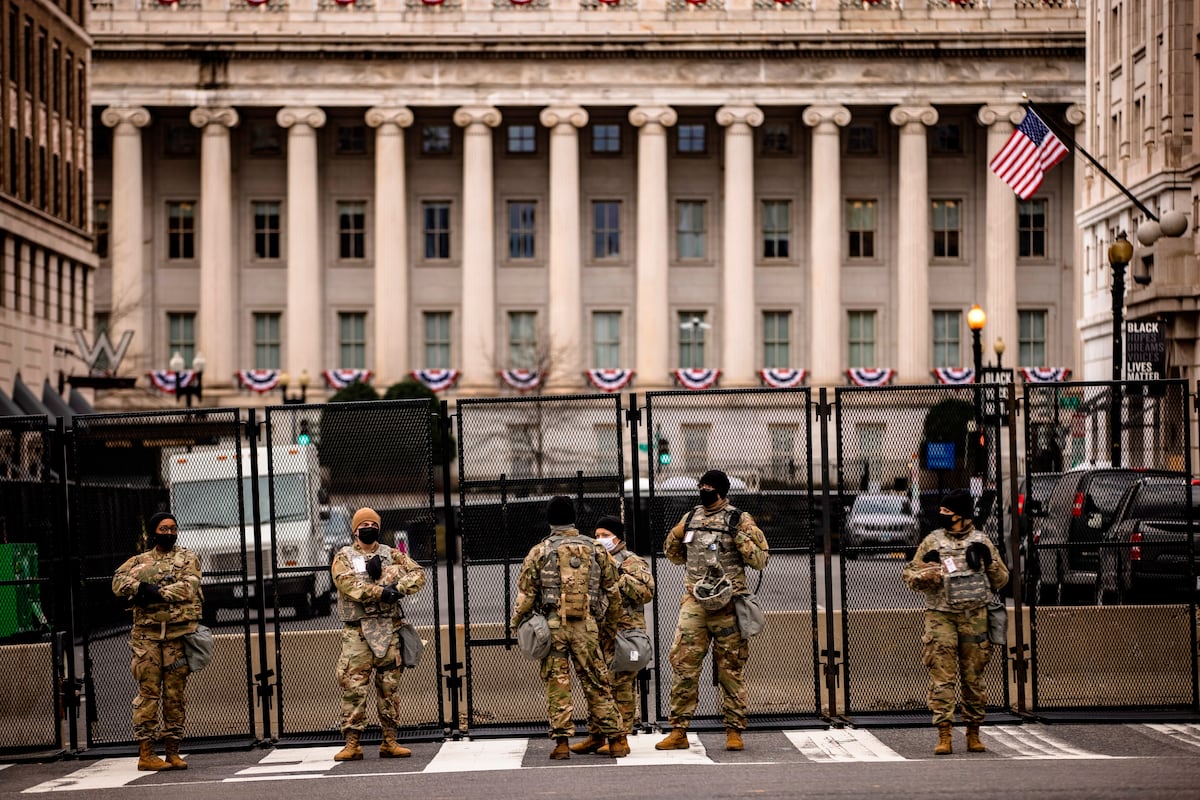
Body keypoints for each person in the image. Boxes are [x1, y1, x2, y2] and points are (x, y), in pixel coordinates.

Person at [656, 470, 769, 753]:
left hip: (729, 605)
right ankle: (678, 730)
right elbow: (672, 555)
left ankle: (734, 731)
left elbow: (760, 560)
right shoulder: (690, 517)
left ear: (720, 490)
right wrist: (676, 534)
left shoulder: (739, 519)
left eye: (708, 487)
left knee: (730, 669)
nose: (703, 490)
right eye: (701, 486)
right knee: (683, 666)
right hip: (695, 603)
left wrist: (738, 537)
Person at [510, 496, 627, 759]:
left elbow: (526, 595)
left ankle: (562, 744)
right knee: (597, 682)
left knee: (557, 684)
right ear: (574, 517)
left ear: (549, 520)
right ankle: (617, 739)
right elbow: (613, 593)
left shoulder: (539, 551)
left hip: (552, 627)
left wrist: (515, 624)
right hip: (587, 625)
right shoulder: (596, 549)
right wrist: (607, 628)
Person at [902, 488, 1009, 755]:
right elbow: (909, 575)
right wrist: (927, 575)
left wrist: (988, 562)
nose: (942, 516)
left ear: (961, 515)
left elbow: (1001, 581)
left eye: (947, 512)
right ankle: (945, 734)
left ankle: (973, 733)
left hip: (975, 618)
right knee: (942, 678)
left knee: (973, 678)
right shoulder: (932, 541)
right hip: (941, 617)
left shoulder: (982, 541)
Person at [330, 507, 426, 761]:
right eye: (364, 524)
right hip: (358, 633)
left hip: (389, 628)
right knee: (354, 688)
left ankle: (390, 741)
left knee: (389, 689)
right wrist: (380, 592)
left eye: (373, 523)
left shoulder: (391, 554)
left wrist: (397, 587)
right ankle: (352, 744)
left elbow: (418, 573)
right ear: (355, 529)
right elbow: (347, 584)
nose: (369, 527)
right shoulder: (344, 556)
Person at [111, 511, 204, 771]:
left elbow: (189, 587)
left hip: (177, 637)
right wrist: (139, 589)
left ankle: (173, 752)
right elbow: (117, 582)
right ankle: (147, 754)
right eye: (164, 528)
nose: (170, 533)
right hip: (146, 639)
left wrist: (155, 593)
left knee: (175, 695)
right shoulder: (139, 561)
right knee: (148, 694)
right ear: (154, 532)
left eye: (173, 528)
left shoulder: (188, 558)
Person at [569, 515, 655, 756]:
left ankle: (622, 737)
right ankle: (596, 735)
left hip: (625, 634)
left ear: (618, 538)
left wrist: (617, 573)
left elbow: (646, 592)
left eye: (605, 536)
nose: (600, 540)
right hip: (599, 634)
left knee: (622, 686)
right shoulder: (593, 561)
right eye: (597, 536)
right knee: (598, 687)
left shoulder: (631, 562)